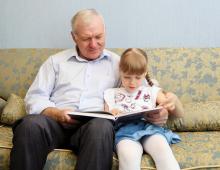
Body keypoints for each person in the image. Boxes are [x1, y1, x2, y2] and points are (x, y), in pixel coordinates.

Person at [9, 9, 183, 170]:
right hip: (56, 122)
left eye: (98, 37)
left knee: (101, 127)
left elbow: (143, 92)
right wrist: (55, 113)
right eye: (86, 39)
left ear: (105, 32)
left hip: (94, 127)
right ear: (73, 37)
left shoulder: (118, 64)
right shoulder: (56, 62)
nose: (93, 44)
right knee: (30, 125)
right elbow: (34, 98)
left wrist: (159, 112)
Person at [104, 48, 184, 170]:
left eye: (137, 77)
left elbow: (174, 110)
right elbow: (105, 115)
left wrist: (168, 105)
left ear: (145, 73)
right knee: (128, 155)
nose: (132, 82)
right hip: (125, 133)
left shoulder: (152, 91)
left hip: (150, 129)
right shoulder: (111, 93)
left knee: (162, 148)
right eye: (127, 77)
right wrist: (112, 113)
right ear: (120, 71)